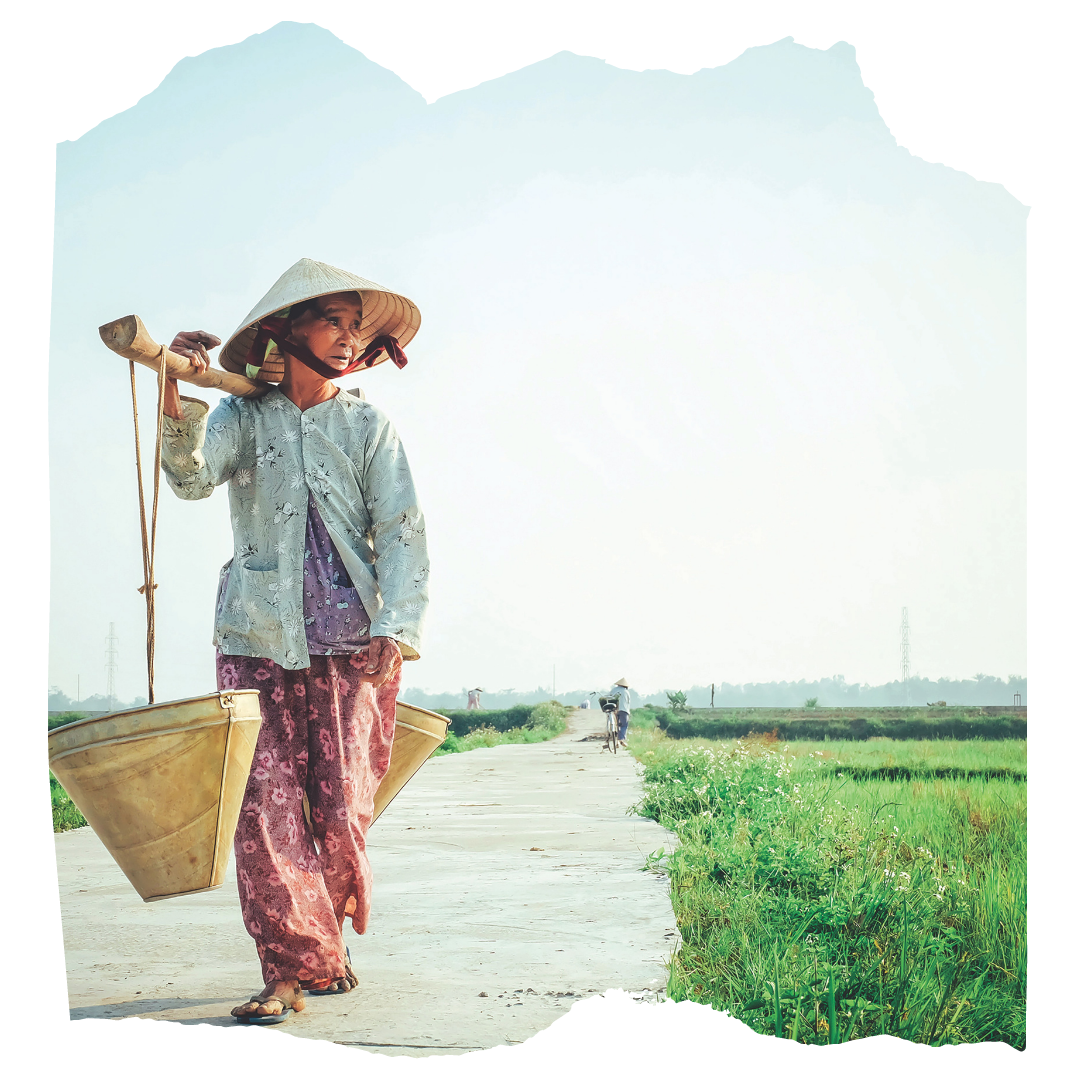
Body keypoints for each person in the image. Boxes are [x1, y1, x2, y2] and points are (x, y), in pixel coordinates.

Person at [158, 259, 429, 1024]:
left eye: (354, 326)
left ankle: (324, 947)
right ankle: (286, 971)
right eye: (332, 321)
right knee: (264, 813)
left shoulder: (366, 426)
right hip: (256, 638)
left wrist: (396, 630)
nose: (347, 339)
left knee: (339, 811)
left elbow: (401, 531)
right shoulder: (243, 418)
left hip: (349, 643)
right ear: (287, 330)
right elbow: (188, 479)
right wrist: (176, 387)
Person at [609, 678, 631, 747]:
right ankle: (621, 739)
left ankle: (616, 741)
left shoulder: (613, 690)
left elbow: (609, 698)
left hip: (613, 709)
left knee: (616, 725)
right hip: (623, 710)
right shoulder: (626, 692)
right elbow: (628, 702)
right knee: (624, 725)